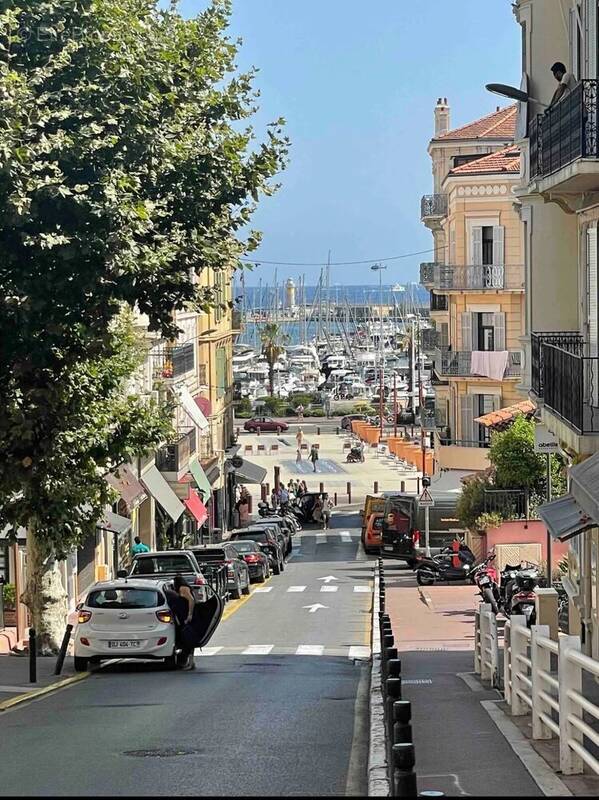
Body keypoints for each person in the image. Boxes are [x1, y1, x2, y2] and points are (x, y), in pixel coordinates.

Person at [172, 574, 196, 670]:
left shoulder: (183, 588)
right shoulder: (184, 587)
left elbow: (191, 600)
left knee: (188, 640)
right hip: (185, 616)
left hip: (187, 617)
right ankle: (190, 662)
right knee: (188, 640)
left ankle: (190, 663)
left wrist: (189, 615)